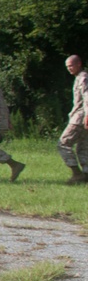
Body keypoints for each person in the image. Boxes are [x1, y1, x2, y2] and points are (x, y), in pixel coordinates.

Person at [58, 55, 88, 185]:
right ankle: (86, 175)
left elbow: (87, 96)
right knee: (83, 146)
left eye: (71, 65)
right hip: (81, 116)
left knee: (63, 143)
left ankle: (76, 173)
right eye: (67, 66)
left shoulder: (83, 78)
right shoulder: (80, 77)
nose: (69, 68)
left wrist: (87, 115)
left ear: (79, 64)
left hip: (80, 117)